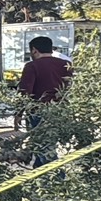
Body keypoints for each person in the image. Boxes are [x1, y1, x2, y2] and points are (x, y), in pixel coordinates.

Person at [17, 36, 72, 167]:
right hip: (59, 111)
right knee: (44, 147)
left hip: (38, 112)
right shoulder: (65, 65)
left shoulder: (32, 66)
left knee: (45, 150)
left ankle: (57, 180)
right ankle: (39, 176)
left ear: (34, 50)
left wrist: (18, 113)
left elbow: (25, 92)